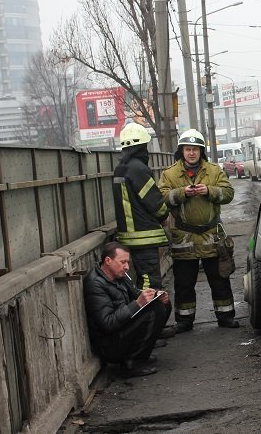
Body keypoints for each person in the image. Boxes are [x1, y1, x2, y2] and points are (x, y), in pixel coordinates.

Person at [158, 129, 237, 332]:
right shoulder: (169, 174)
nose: (191, 153)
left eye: (195, 149)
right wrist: (181, 193)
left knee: (219, 279)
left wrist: (210, 191)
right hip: (184, 237)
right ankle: (184, 321)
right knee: (184, 283)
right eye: (188, 149)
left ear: (201, 151)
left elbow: (229, 193)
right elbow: (162, 199)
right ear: (181, 151)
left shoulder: (214, 171)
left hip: (212, 236)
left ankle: (226, 317)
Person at [83, 242, 171, 377]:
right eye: (122, 262)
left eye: (127, 262)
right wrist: (138, 303)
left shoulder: (119, 274)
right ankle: (131, 364)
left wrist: (155, 295)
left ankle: (141, 355)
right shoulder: (95, 284)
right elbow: (107, 323)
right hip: (109, 344)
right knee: (154, 312)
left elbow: (135, 293)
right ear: (108, 261)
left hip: (121, 330)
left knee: (161, 304)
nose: (127, 267)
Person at [112, 122, 170, 291]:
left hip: (128, 237)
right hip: (145, 238)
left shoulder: (120, 169)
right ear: (143, 147)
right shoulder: (138, 169)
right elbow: (154, 202)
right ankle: (149, 308)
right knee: (150, 283)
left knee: (141, 281)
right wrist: (164, 216)